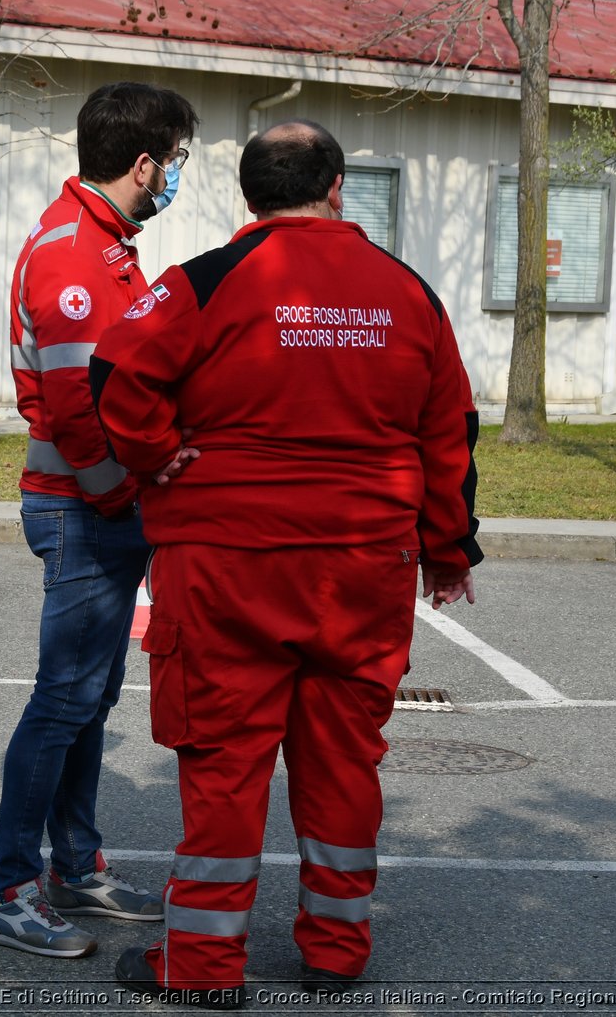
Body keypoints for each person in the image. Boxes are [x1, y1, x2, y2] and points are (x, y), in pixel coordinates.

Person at [89, 119, 481, 1008]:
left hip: (228, 566)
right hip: (362, 567)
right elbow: (448, 432)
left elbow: (115, 372)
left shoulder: (206, 282)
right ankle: (337, 952)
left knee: (225, 765)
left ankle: (199, 967)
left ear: (248, 194)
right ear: (337, 185)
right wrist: (448, 549)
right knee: (345, 761)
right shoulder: (406, 292)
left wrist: (155, 454)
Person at [0, 81, 199, 959]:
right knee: (62, 699)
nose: (176, 174)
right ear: (142, 163)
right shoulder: (75, 255)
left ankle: (75, 863)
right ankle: (9, 887)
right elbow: (75, 406)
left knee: (89, 698)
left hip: (101, 504)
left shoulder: (106, 243)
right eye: (174, 160)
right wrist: (121, 493)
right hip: (83, 505)